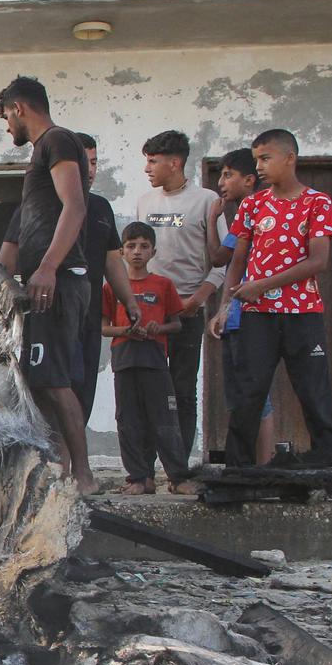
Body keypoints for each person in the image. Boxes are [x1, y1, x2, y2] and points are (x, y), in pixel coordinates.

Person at [0, 75, 135, 494]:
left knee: (55, 382)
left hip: (60, 282)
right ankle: (56, 472)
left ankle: (84, 477)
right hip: (45, 284)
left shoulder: (58, 140)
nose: (7, 129)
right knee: (42, 382)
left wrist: (49, 267)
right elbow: (10, 250)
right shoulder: (44, 152)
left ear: (19, 108)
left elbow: (75, 207)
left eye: (6, 118)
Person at [208, 129, 332, 466]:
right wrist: (226, 306)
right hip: (256, 313)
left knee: (313, 390)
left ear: (290, 158)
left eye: (266, 158)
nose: (261, 167)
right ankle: (239, 468)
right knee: (248, 392)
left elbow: (319, 260)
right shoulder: (253, 204)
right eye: (257, 160)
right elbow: (237, 261)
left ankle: (327, 463)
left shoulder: (317, 202)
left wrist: (264, 284)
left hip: (302, 312)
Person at [0, 133, 135, 424]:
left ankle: (72, 467)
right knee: (51, 389)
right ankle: (63, 466)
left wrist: (129, 301)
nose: (91, 170)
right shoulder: (34, 208)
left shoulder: (100, 208)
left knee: (81, 389)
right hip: (49, 311)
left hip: (87, 315)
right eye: (85, 163)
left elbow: (112, 261)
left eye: (95, 163)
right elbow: (5, 261)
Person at [136, 130, 227, 466]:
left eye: (153, 161)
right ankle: (143, 469)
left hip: (188, 311)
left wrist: (197, 299)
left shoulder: (207, 201)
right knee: (146, 391)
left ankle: (179, 466)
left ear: (174, 163)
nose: (147, 169)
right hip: (148, 312)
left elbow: (222, 262)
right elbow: (137, 255)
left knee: (183, 391)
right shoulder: (146, 202)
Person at [103, 223, 199, 494]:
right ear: (121, 251)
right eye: (131, 246)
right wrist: (124, 330)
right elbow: (102, 327)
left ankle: (178, 478)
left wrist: (159, 328)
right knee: (128, 419)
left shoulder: (163, 285)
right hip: (124, 359)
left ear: (153, 252)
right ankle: (138, 478)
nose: (137, 252)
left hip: (155, 359)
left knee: (165, 418)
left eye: (144, 246)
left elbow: (177, 324)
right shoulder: (112, 288)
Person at [212, 148, 277, 465]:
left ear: (249, 180)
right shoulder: (240, 216)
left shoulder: (262, 213)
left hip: (257, 314)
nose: (221, 182)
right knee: (240, 396)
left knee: (257, 395)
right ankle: (249, 465)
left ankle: (263, 465)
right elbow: (223, 260)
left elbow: (222, 260)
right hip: (236, 315)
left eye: (228, 175)